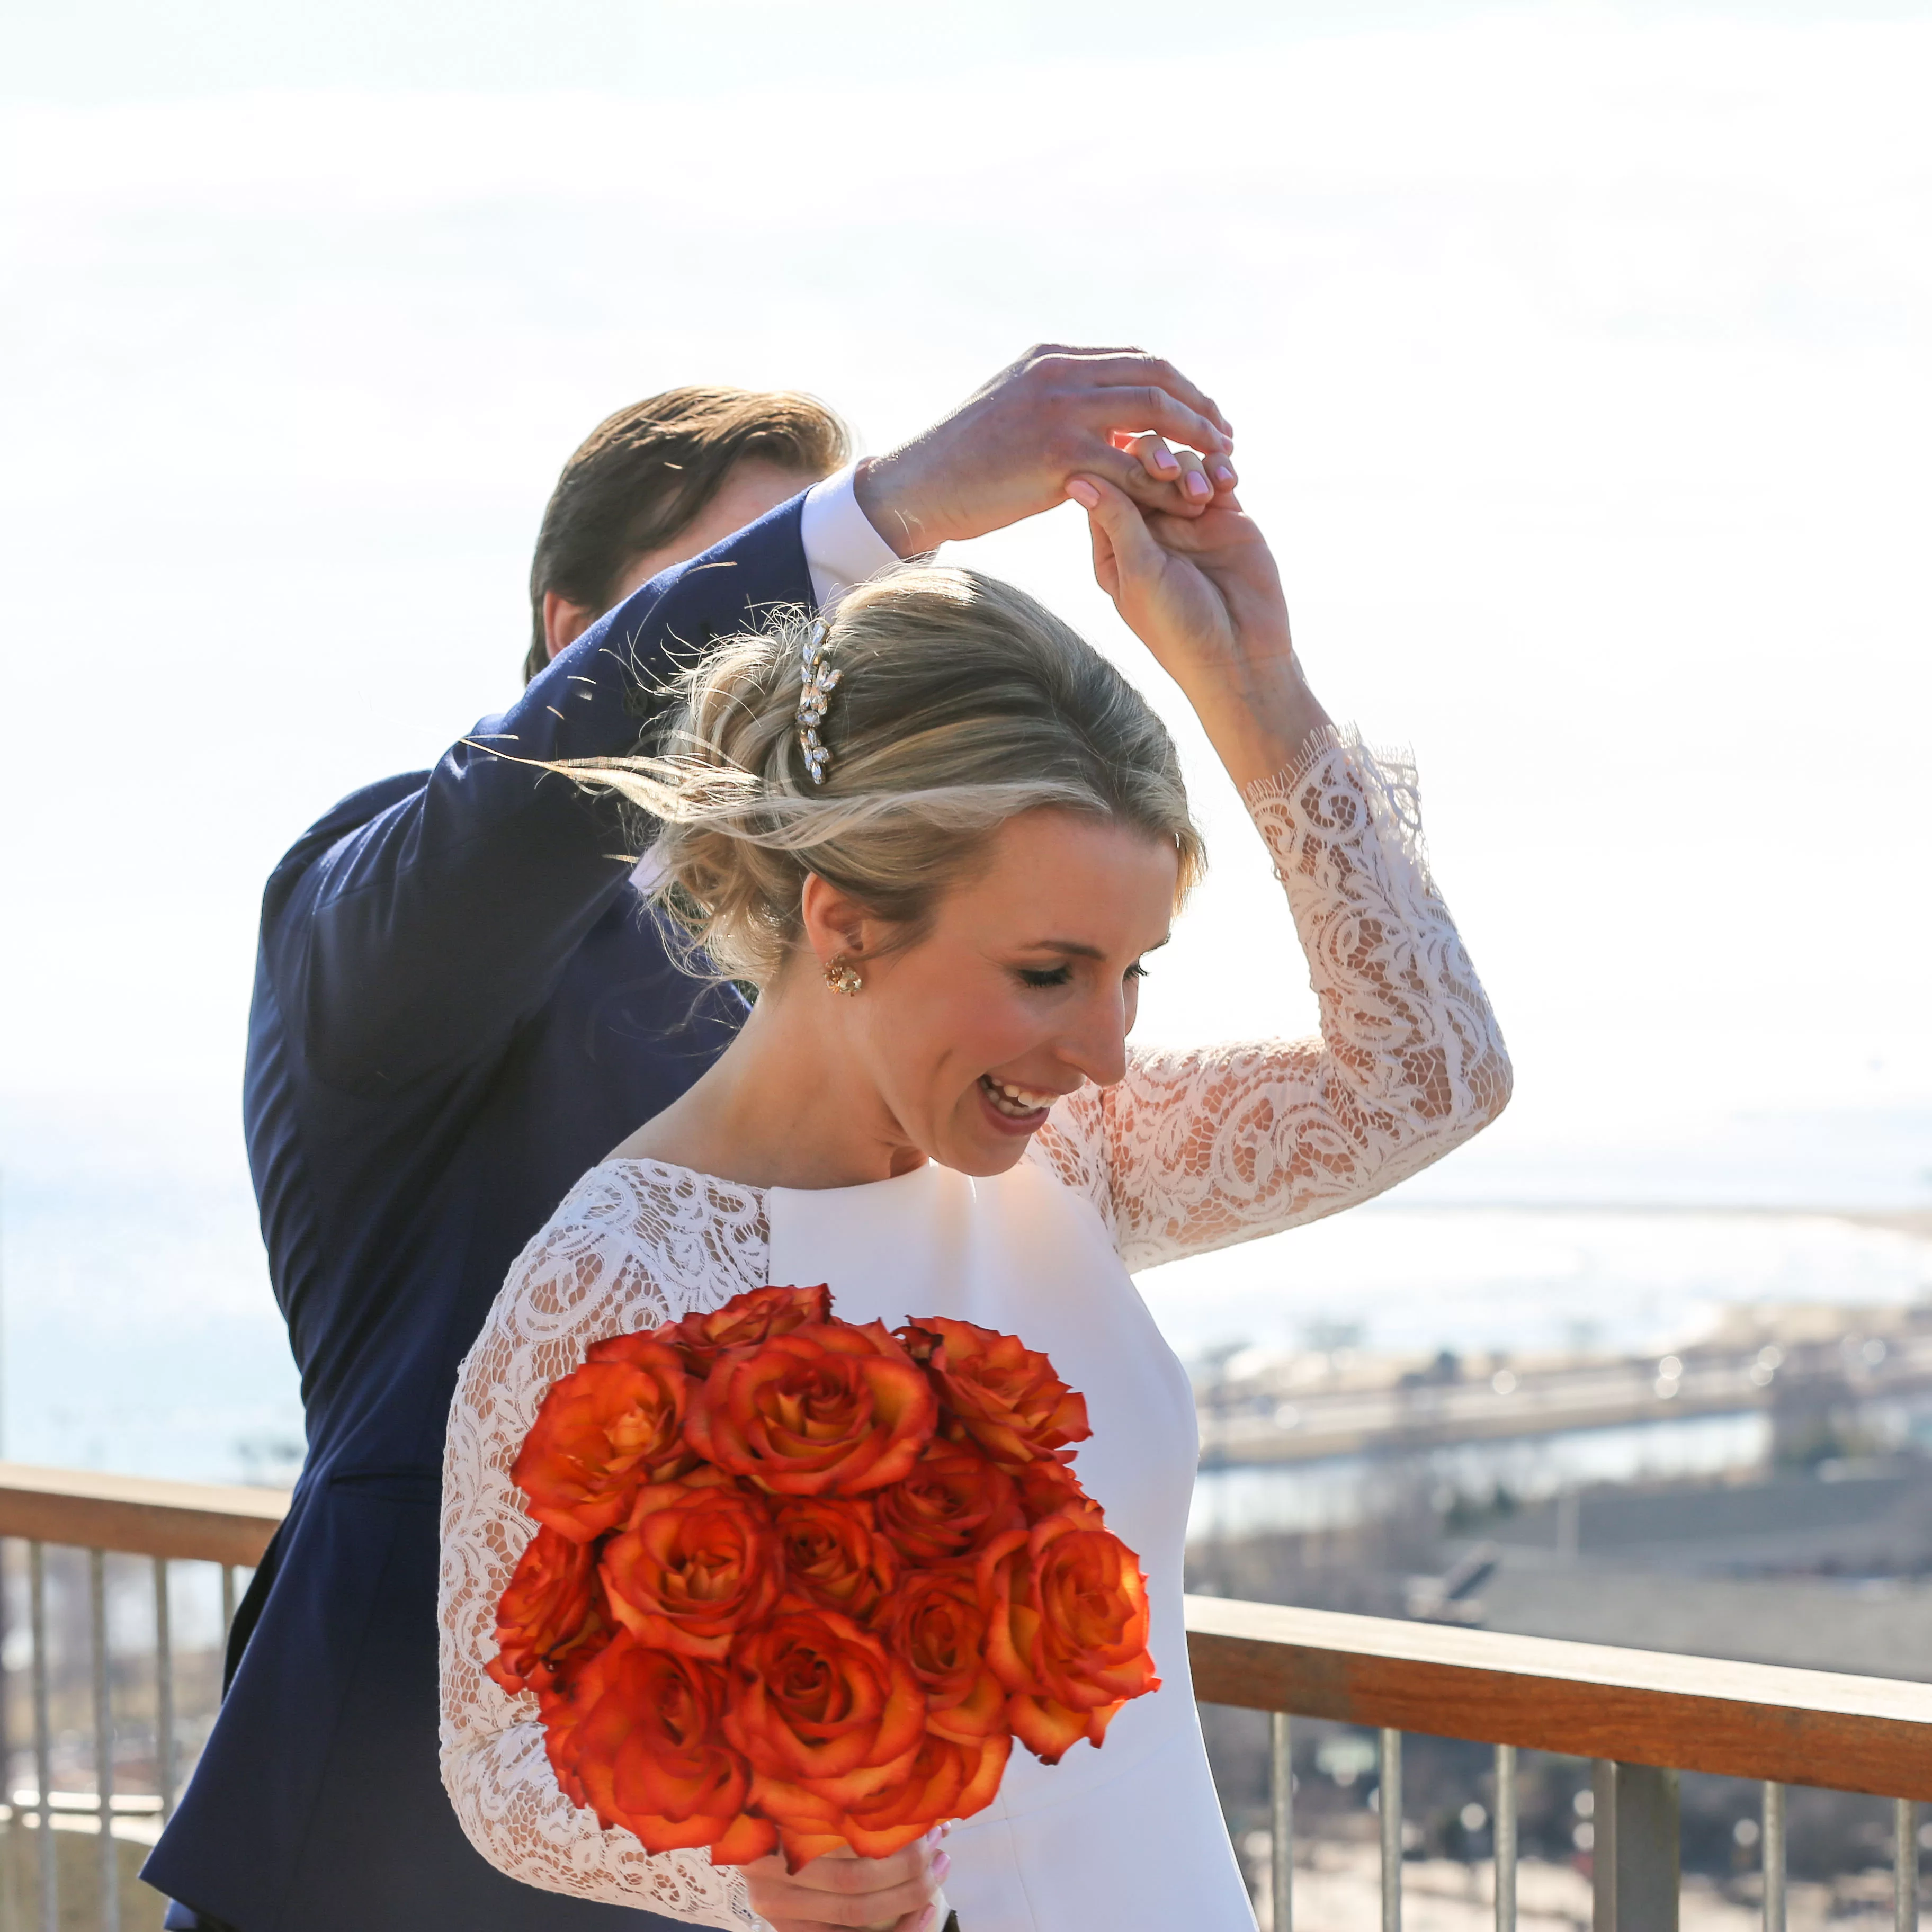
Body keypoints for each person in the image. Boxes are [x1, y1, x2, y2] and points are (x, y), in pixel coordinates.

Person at [145, 347, 1240, 1932]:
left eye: (830, 628)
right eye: (749, 605)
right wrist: (892, 509)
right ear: (573, 639)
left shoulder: (863, 978)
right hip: (394, 1855)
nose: (797, 667)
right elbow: (512, 809)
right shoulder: (382, 908)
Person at [440, 439, 1514, 1930]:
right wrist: (762, 1863)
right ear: (846, 924)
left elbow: (1428, 1075)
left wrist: (1253, 684)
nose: (1107, 1051)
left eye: (1133, 973)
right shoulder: (627, 1272)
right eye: (1049, 973)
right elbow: (502, 1760)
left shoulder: (1074, 1159)